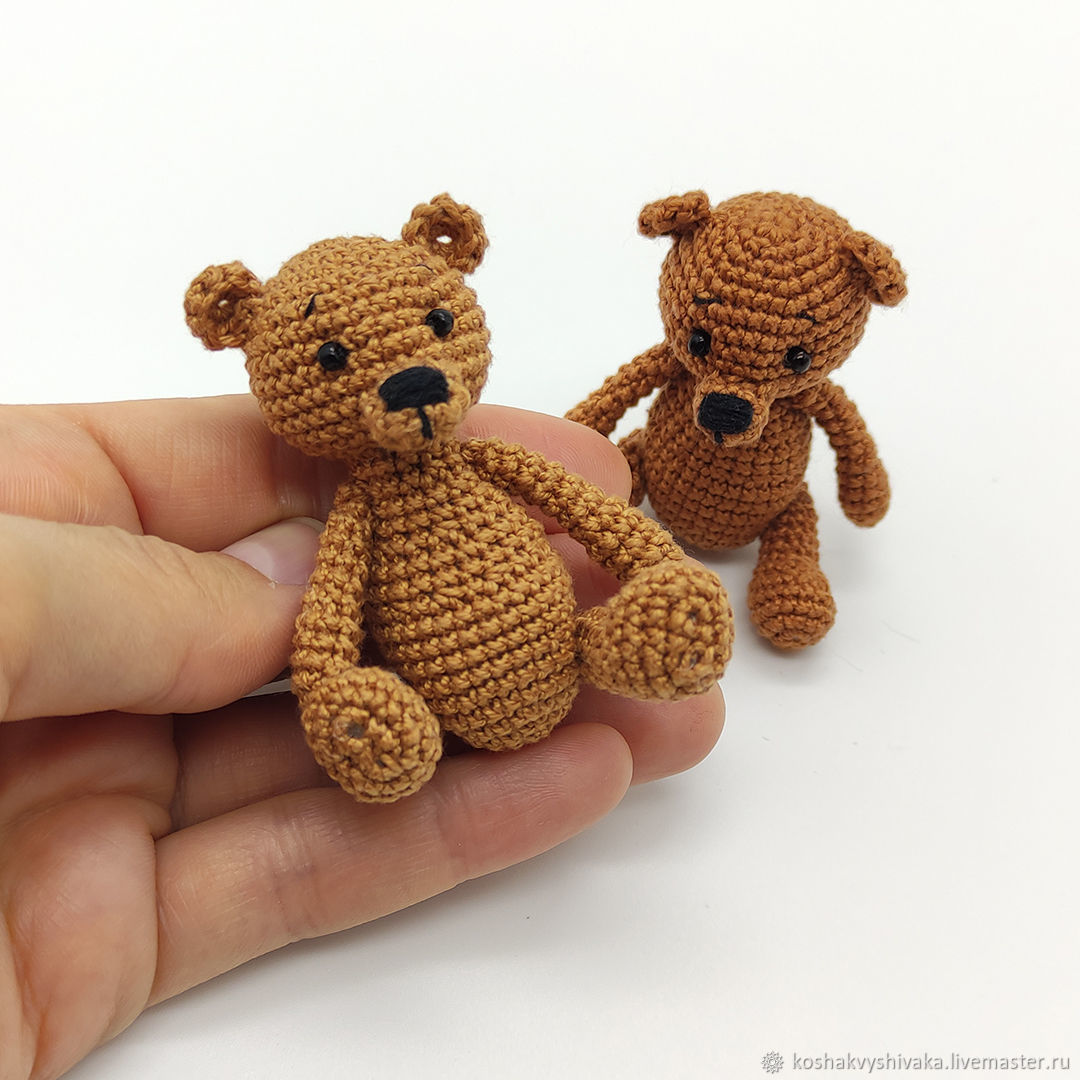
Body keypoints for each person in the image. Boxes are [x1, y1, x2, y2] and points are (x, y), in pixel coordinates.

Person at [0, 395, 725, 1079]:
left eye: (436, 325)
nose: (409, 379)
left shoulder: (488, 462)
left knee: (664, 624)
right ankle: (386, 729)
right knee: (377, 724)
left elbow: (593, 515)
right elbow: (328, 618)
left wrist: (653, 565)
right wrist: (329, 684)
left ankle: (637, 636)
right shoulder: (358, 513)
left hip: (570, 648)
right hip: (445, 703)